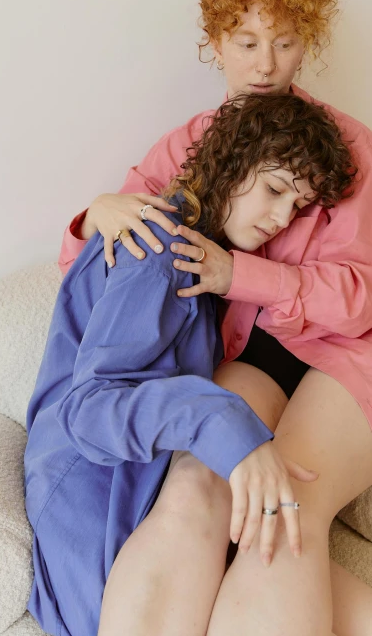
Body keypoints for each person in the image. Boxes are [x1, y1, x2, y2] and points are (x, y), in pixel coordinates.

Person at [58, 0, 372, 635]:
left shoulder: (347, 144)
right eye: (247, 41)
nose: (266, 64)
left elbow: (357, 301)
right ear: (215, 40)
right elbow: (90, 268)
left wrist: (241, 272)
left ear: (308, 42)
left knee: (285, 494)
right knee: (200, 484)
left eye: (285, 41)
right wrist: (96, 215)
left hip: (349, 353)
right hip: (246, 358)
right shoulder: (188, 145)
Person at [24, 91, 356, 636]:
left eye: (296, 206)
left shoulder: (197, 259)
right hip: (95, 502)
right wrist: (226, 425)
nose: (280, 218)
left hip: (140, 485)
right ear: (231, 161)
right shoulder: (158, 249)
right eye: (274, 189)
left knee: (280, 534)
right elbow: (87, 410)